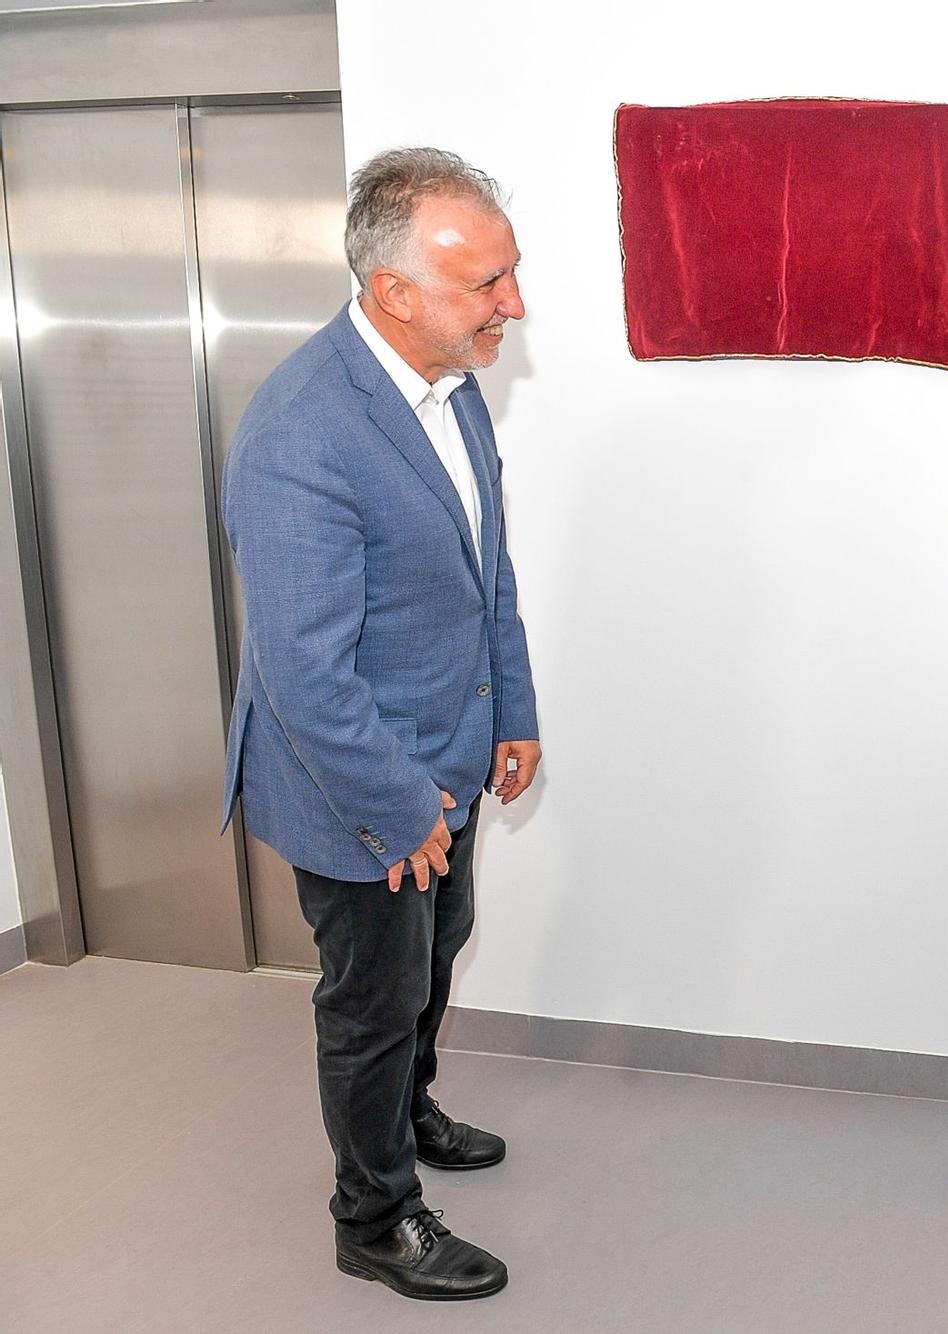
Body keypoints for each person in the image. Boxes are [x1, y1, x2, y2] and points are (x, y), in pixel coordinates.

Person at [220, 147, 540, 1299]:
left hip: (445, 757)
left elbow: (482, 568)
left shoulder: (450, 391)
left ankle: (406, 1112)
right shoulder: (302, 429)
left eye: (510, 273)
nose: (514, 303)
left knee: (431, 959)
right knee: (370, 1000)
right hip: (356, 782)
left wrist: (512, 705)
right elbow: (303, 672)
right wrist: (401, 805)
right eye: (486, 284)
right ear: (393, 291)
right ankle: (374, 1211)